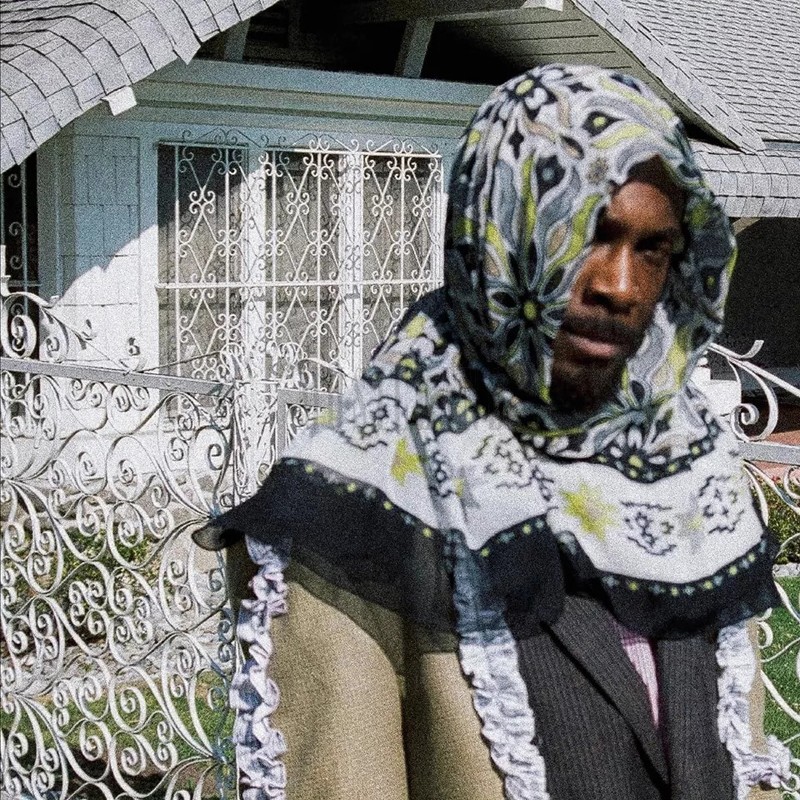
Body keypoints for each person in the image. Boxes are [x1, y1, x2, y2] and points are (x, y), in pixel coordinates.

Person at [200, 64, 791, 800]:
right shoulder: (347, 521)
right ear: (497, 233)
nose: (619, 284)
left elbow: (742, 760)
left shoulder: (689, 472)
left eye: (652, 248)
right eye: (584, 234)